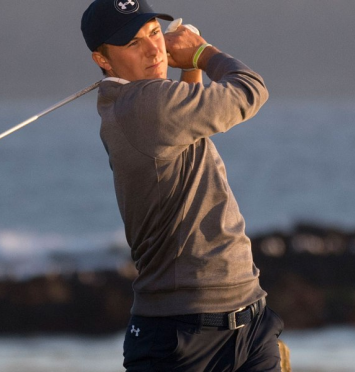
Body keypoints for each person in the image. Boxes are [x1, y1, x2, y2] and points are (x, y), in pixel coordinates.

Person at [81, 1, 284, 371]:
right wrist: (204, 53)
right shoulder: (145, 107)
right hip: (183, 338)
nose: (153, 49)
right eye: (132, 43)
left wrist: (189, 68)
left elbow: (190, 124)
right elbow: (250, 90)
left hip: (247, 318)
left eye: (155, 33)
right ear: (103, 60)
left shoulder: (141, 105)